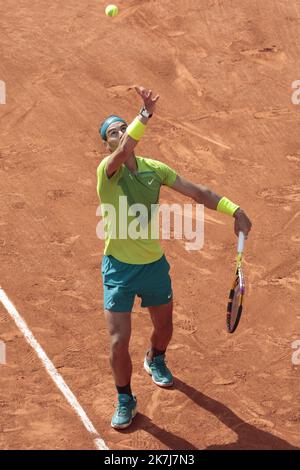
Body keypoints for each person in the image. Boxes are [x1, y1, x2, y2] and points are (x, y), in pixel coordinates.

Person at [97, 86, 252, 430]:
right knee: (118, 340)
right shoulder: (107, 173)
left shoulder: (155, 170)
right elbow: (126, 149)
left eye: (122, 126)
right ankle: (125, 398)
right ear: (107, 144)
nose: (120, 133)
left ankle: (156, 357)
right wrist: (145, 114)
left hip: (153, 266)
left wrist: (234, 209)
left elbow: (198, 192)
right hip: (119, 270)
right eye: (113, 132)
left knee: (164, 328)